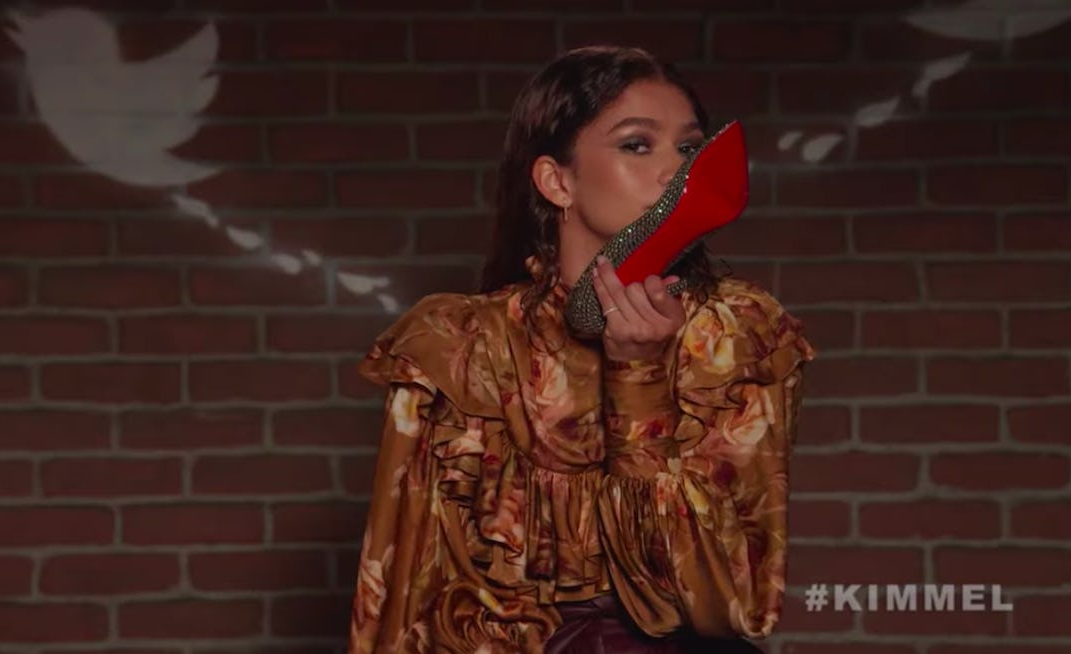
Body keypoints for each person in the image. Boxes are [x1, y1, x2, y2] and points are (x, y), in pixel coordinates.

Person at [348, 45, 815, 654]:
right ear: (556, 180)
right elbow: (400, 599)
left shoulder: (735, 335)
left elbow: (728, 603)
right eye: (637, 145)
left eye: (689, 149)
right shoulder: (461, 346)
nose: (674, 170)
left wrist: (639, 376)